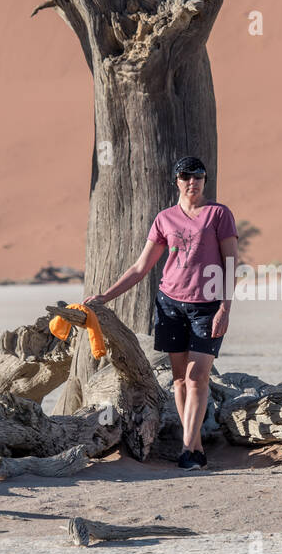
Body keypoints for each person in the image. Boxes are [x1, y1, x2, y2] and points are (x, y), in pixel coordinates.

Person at [84, 156, 238, 471]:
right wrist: (106, 296)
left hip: (207, 306)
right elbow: (142, 267)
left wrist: (225, 307)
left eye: (198, 176)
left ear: (205, 180)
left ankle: (186, 447)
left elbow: (232, 264)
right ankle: (194, 449)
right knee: (180, 379)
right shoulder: (164, 218)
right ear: (176, 181)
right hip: (170, 304)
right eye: (185, 176)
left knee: (198, 378)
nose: (192, 182)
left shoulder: (219, 215)